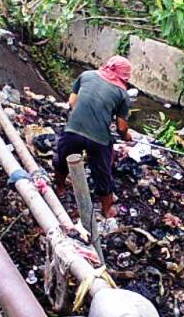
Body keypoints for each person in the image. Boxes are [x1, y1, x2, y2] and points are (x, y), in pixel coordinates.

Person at [53, 56, 133, 218]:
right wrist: (126, 136)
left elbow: (72, 102)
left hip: (73, 129)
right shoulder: (122, 94)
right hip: (99, 139)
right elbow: (121, 127)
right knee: (102, 172)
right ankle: (107, 210)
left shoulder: (86, 75)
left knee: (63, 159)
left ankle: (59, 189)